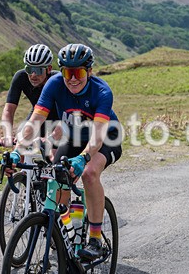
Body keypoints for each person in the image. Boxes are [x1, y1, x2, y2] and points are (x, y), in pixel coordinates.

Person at [8, 43, 122, 260]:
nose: (72, 79)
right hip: (74, 138)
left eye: (78, 72)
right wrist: (17, 150)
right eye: (67, 72)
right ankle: (68, 229)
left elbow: (97, 137)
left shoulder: (102, 91)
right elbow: (35, 121)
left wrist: (83, 158)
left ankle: (95, 239)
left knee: (89, 173)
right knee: (56, 177)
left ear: (88, 71)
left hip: (106, 138)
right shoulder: (54, 84)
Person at [0, 44, 58, 147]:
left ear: (48, 69)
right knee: (20, 146)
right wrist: (8, 135)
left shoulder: (57, 80)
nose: (33, 75)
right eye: (29, 69)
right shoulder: (21, 77)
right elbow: (9, 109)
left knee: (52, 154)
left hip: (58, 119)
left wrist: (51, 136)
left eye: (39, 70)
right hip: (36, 114)